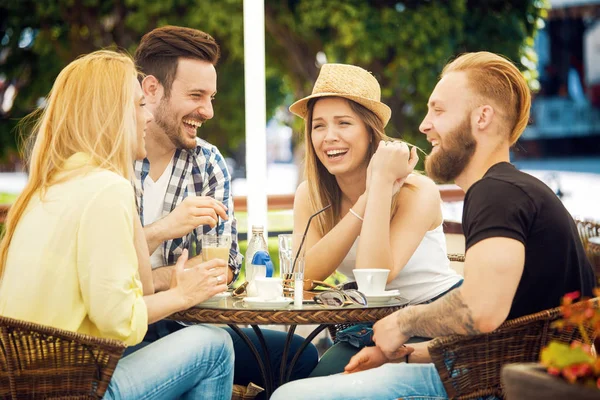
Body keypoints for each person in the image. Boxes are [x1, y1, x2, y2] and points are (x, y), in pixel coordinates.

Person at [271, 51, 596, 399]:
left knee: (290, 395)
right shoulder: (502, 190)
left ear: (481, 117)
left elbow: (479, 312)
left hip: (490, 378)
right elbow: (500, 332)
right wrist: (403, 355)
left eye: (438, 111)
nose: (424, 125)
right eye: (319, 125)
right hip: (481, 362)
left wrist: (403, 324)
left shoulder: (496, 193)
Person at [0, 50, 234, 399]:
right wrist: (182, 294)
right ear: (112, 114)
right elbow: (122, 323)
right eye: (140, 106)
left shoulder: (50, 186)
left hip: (29, 385)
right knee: (215, 346)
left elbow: (136, 285)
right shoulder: (106, 190)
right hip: (81, 387)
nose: (148, 118)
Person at [130, 25, 318, 388]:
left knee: (298, 356)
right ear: (151, 89)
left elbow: (223, 266)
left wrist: (146, 281)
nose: (208, 111)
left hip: (185, 322)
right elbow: (105, 278)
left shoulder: (208, 162)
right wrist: (163, 234)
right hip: (122, 330)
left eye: (211, 97)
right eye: (197, 95)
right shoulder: (112, 161)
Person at [288, 63, 463, 377]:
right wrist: (368, 198)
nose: (329, 137)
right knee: (306, 381)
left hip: (434, 322)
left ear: (370, 132)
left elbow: (376, 277)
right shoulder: (310, 195)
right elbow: (303, 277)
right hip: (369, 326)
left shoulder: (416, 191)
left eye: (344, 123)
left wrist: (379, 186)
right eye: (318, 126)